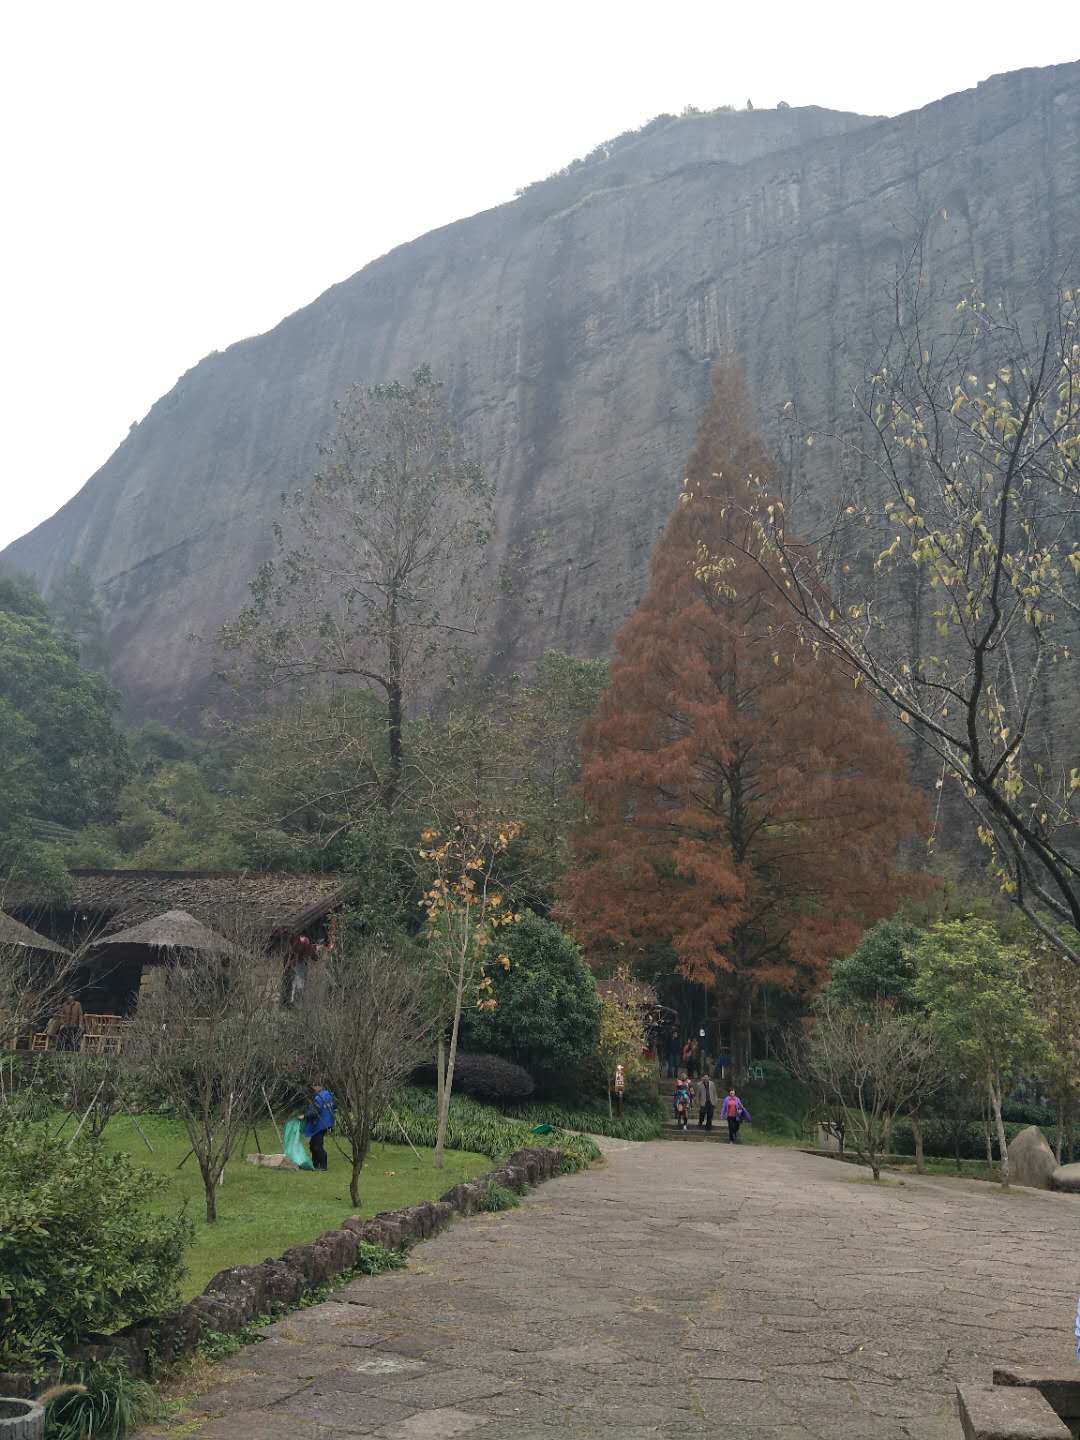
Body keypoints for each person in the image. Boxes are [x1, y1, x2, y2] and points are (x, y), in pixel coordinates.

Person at [301, 1082, 335, 1171]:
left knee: (317, 1146)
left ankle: (323, 1166)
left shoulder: (318, 1098)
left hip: (320, 1124)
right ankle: (315, 1164)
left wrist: (304, 1116)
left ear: (319, 1086)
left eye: (314, 1085)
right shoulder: (328, 1094)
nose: (313, 1088)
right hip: (327, 1122)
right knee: (313, 1144)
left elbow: (315, 1112)